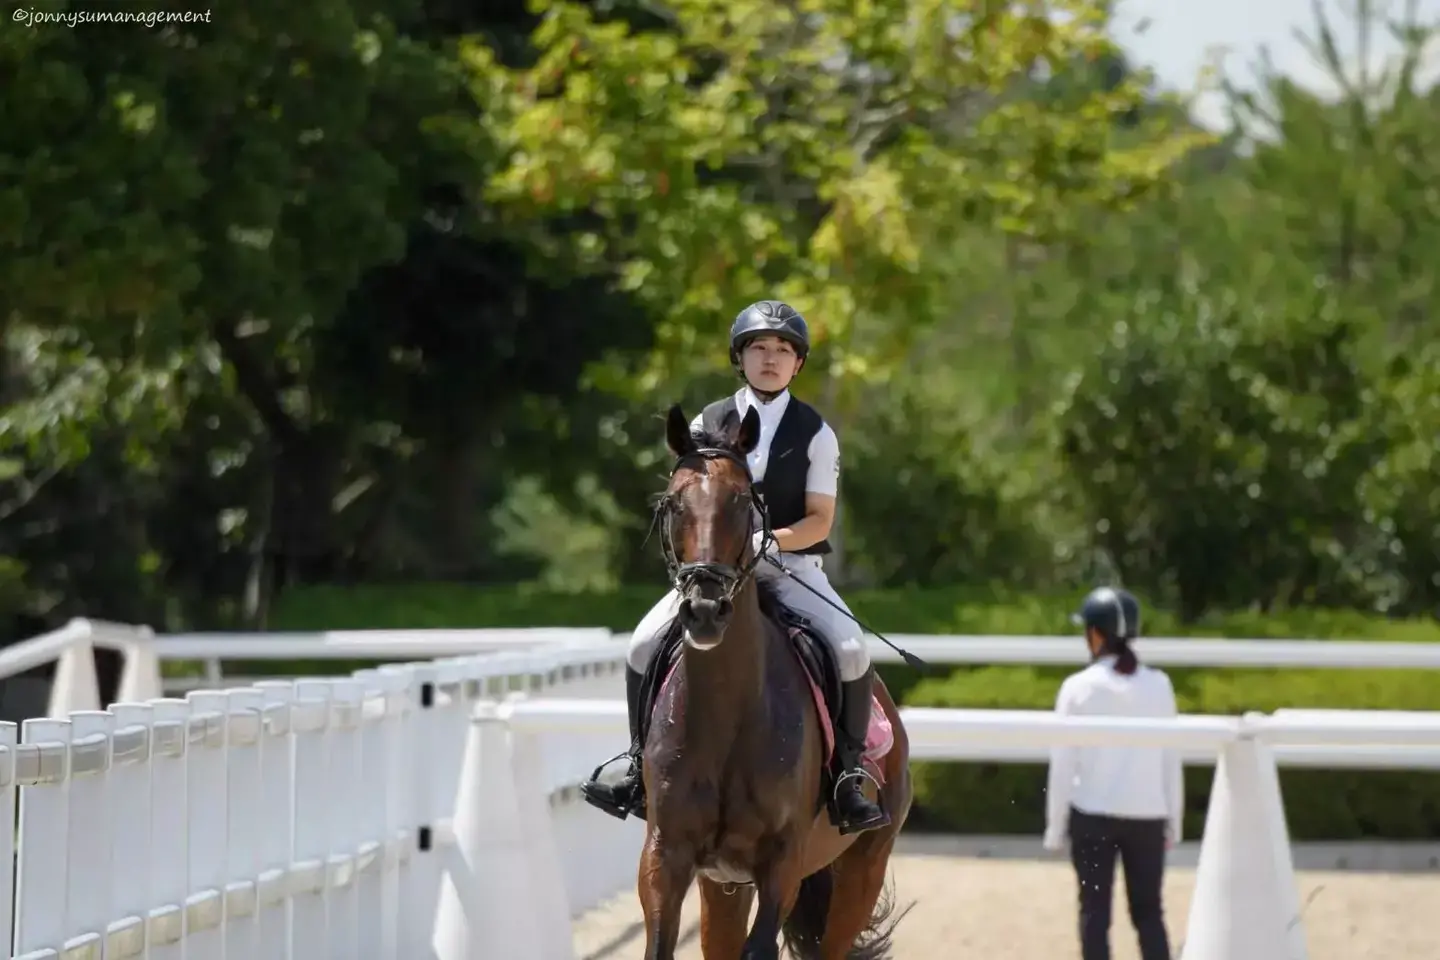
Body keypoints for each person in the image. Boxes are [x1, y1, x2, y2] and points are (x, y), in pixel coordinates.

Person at [579, 299, 889, 835]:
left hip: (791, 568)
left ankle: (846, 775)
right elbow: (694, 498)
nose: (770, 359)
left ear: (798, 364)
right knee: (641, 644)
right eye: (760, 349)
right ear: (740, 358)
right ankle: (635, 763)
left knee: (850, 648)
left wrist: (768, 541)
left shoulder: (816, 432)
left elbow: (820, 520)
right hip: (715, 572)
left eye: (783, 351)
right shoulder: (708, 421)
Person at [1043, 586, 1182, 960]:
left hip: (1092, 818)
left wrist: (1055, 828)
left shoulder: (1077, 688)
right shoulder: (1160, 685)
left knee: (1094, 914)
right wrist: (1174, 819)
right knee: (1150, 914)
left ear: (1096, 634)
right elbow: (1171, 757)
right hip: (1148, 817)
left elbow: (1063, 764)